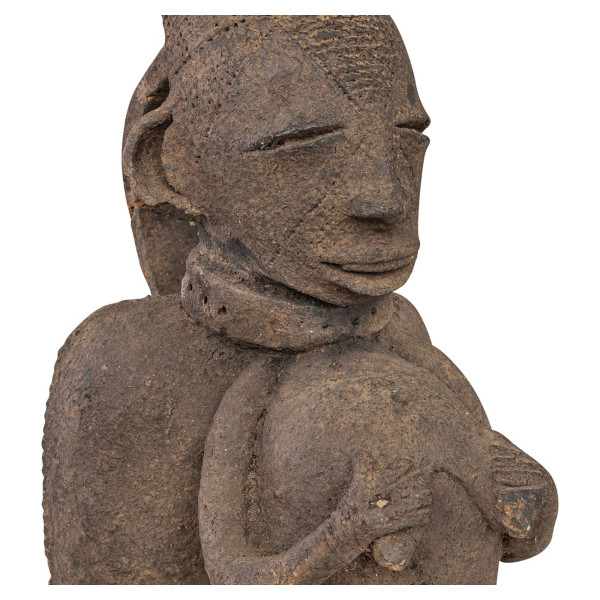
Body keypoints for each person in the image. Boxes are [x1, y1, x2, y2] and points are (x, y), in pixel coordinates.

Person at [43, 15, 557, 584]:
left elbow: (504, 522)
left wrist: (518, 495)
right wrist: (347, 531)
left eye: (406, 135)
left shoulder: (401, 332)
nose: (386, 198)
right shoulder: (126, 366)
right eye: (302, 142)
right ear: (171, 165)